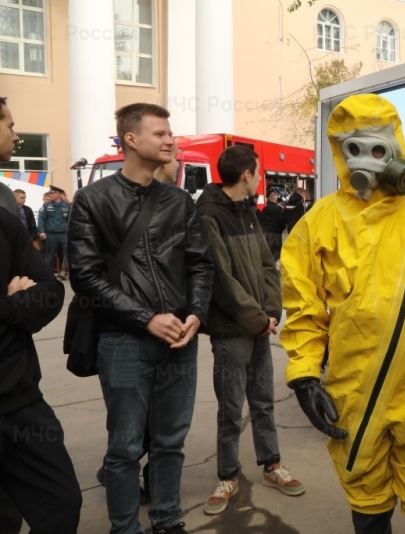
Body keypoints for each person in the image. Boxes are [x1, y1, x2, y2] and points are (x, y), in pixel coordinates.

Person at [280, 93, 405, 534]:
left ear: (396, 146)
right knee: (366, 501)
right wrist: (304, 375)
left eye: (376, 148)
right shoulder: (318, 223)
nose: (365, 162)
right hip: (354, 394)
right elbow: (303, 309)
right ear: (339, 152)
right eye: (353, 149)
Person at [68, 102, 214, 534]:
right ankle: (125, 527)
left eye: (171, 133)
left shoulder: (179, 200)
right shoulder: (93, 199)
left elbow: (200, 264)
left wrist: (196, 315)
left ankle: (167, 521)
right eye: (160, 133)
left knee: (171, 442)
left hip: (179, 340)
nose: (170, 140)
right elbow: (86, 277)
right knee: (126, 447)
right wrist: (146, 318)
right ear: (131, 140)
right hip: (123, 341)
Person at [195, 145, 305, 516]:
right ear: (245, 175)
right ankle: (227, 476)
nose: (261, 179)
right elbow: (222, 281)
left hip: (260, 324)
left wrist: (272, 311)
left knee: (263, 401)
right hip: (232, 331)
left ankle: (271, 465)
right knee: (230, 408)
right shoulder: (209, 214)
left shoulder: (247, 210)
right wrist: (259, 319)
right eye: (258, 172)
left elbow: (266, 264)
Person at [0, 96, 82, 533]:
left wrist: (13, 305)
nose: (17, 134)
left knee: (62, 505)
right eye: (10, 125)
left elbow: (51, 292)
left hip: (21, 400)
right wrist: (14, 303)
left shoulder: (5, 217)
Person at [37, 184, 71, 280]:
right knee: (50, 255)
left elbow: (71, 220)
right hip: (51, 234)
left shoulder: (67, 205)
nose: (50, 194)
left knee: (67, 252)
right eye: (50, 192)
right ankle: (49, 274)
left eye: (52, 193)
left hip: (64, 233)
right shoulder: (46, 205)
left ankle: (64, 271)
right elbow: (41, 219)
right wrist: (42, 232)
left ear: (59, 194)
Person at [259, 191, 286, 262]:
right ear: (276, 199)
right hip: (277, 233)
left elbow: (262, 221)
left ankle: (269, 265)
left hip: (266, 233)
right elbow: (282, 222)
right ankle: (273, 263)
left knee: (268, 251)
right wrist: (281, 229)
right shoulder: (279, 209)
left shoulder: (264, 209)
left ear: (269, 199)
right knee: (278, 251)